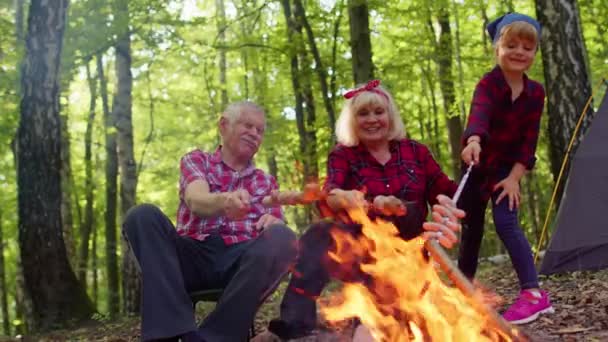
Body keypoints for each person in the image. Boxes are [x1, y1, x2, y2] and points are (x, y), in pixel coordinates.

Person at [254, 80, 465, 341]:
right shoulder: (343, 155)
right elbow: (327, 201)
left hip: (407, 255)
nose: (372, 120)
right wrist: (342, 198)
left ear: (390, 116)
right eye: (363, 114)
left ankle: (378, 318)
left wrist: (474, 180)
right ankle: (294, 325)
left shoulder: (416, 152)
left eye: (379, 112)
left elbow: (449, 192)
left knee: (379, 328)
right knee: (320, 233)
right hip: (360, 252)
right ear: (353, 121)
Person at [122, 101, 300, 341]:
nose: (255, 134)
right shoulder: (197, 161)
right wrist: (223, 202)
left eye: (260, 130)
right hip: (191, 255)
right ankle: (170, 333)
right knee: (141, 215)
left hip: (240, 263)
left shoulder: (265, 181)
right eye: (248, 125)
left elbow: (277, 229)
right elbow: (196, 199)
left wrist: (275, 225)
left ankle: (214, 337)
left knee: (284, 238)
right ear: (224, 125)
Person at [457, 13, 554, 324]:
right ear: (497, 48)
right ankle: (463, 290)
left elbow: (529, 142)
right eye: (511, 44)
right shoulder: (488, 84)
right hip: (477, 164)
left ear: (535, 53)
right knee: (471, 229)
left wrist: (514, 179)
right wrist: (473, 140)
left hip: (507, 171)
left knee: (507, 223)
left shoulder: (536, 93)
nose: (519, 52)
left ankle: (533, 294)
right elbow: (479, 116)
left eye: (528, 47)